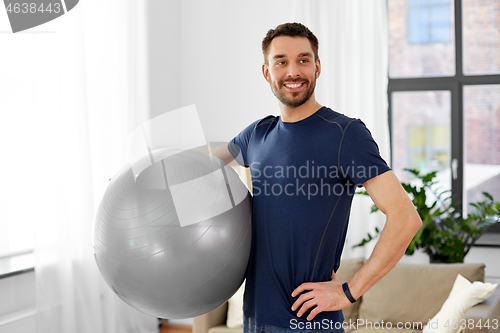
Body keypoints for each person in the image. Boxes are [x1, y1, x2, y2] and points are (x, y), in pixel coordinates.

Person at [211, 22, 422, 332]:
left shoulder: (345, 134)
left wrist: (349, 292)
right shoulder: (257, 134)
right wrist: (151, 166)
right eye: (281, 61)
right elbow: (204, 162)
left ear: (317, 67)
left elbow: (406, 218)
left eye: (303, 60)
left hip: (309, 324)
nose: (293, 71)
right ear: (267, 72)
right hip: (254, 320)